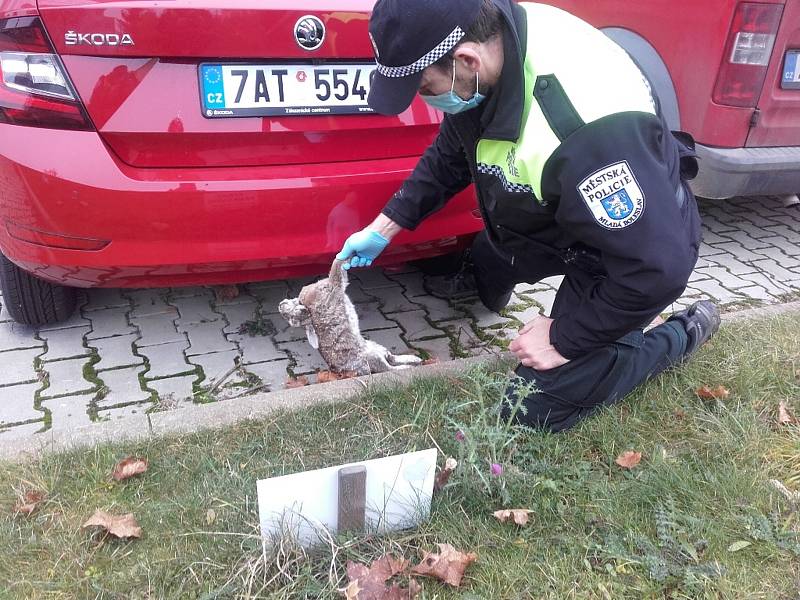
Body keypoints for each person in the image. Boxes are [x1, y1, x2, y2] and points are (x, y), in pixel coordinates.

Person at [336, 0, 721, 432]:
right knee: (487, 258)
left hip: (625, 247)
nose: (425, 99)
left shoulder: (586, 131)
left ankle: (682, 333)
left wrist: (562, 337)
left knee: (533, 407)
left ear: (467, 60)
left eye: (424, 87)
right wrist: (384, 227)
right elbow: (451, 155)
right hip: (552, 212)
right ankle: (511, 275)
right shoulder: (494, 40)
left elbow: (656, 269)